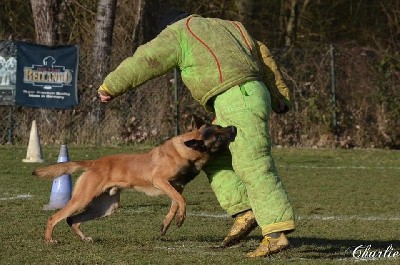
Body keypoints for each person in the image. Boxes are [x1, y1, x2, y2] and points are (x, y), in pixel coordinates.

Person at [98, 8, 295, 258]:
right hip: (241, 96)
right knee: (213, 159)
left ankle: (276, 234)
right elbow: (263, 54)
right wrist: (278, 95)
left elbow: (147, 58)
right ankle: (244, 211)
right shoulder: (230, 26)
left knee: (253, 164)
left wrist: (111, 86)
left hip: (236, 96)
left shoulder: (179, 32)